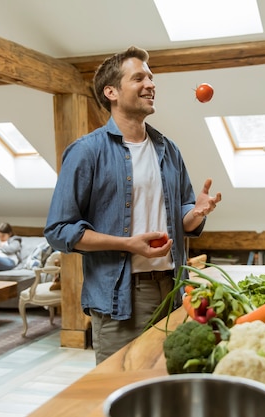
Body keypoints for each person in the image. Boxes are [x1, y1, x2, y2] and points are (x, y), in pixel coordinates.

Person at [44, 46, 222, 363]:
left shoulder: (168, 149)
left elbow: (181, 213)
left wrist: (194, 213)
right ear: (111, 92)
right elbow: (59, 230)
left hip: (174, 289)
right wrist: (127, 244)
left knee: (167, 385)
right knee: (122, 387)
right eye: (138, 77)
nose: (150, 84)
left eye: (151, 77)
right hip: (121, 297)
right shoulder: (86, 152)